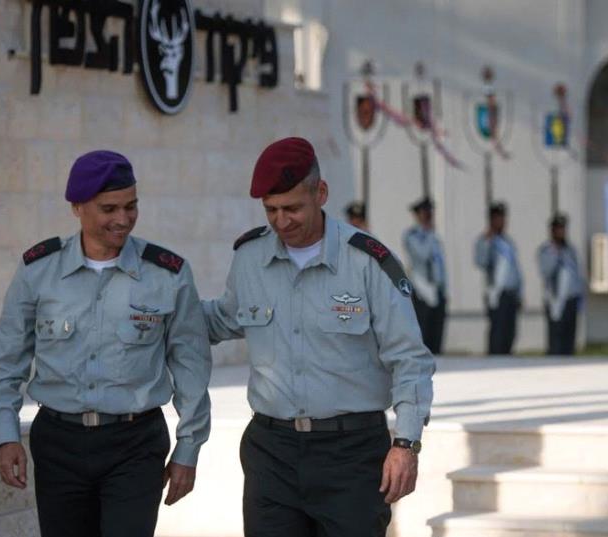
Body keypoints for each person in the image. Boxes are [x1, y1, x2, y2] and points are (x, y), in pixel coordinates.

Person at [202, 137, 435, 537]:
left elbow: (409, 358)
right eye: (271, 210)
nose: (281, 221)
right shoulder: (250, 259)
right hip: (271, 453)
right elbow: (222, 319)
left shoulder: (368, 261)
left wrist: (406, 444)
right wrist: (158, 307)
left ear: (321, 193)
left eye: (292, 208)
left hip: (352, 454)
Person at [0, 150, 212, 537]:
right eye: (109, 208)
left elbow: (191, 367)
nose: (123, 219)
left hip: (135, 444)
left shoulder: (167, 273)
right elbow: (7, 361)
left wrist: (188, 448)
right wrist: (5, 436)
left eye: (131, 206)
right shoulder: (39, 270)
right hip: (59, 443)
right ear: (77, 207)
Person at [474, 201, 523, 354]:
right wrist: (488, 242)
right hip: (497, 294)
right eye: (498, 218)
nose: (502, 222)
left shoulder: (507, 242)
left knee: (510, 332)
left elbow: (515, 269)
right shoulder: (485, 241)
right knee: (498, 332)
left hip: (511, 293)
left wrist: (520, 292)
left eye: (503, 218)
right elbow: (481, 261)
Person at [402, 197, 448, 354]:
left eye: (430, 212)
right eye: (425, 212)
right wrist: (428, 234)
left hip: (437, 289)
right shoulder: (413, 235)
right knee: (424, 330)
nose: (428, 216)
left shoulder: (434, 236)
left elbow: (440, 264)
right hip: (422, 289)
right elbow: (422, 255)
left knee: (437, 332)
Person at [536, 213, 584, 355]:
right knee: (556, 340)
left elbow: (576, 274)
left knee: (569, 340)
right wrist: (556, 254)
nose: (561, 232)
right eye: (558, 229)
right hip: (555, 301)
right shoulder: (546, 250)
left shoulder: (570, 250)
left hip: (571, 299)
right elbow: (546, 271)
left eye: (563, 228)